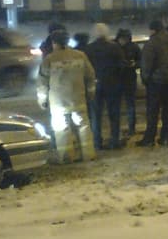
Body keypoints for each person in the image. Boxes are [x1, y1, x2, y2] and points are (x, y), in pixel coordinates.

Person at [37, 29, 96, 164]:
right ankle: (88, 154)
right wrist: (91, 93)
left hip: (58, 102)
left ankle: (66, 156)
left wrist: (42, 99)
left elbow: (42, 82)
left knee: (61, 129)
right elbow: (90, 76)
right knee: (83, 126)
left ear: (54, 43)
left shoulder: (50, 59)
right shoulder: (80, 56)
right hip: (78, 99)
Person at [137, 19, 168, 147]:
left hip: (156, 81)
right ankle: (166, 136)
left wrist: (146, 79)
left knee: (153, 110)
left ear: (153, 29)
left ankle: (149, 138)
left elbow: (146, 64)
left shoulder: (152, 43)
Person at [84, 23, 126, 150]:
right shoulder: (115, 48)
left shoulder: (88, 49)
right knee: (114, 114)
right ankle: (114, 140)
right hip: (113, 84)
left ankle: (97, 142)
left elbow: (85, 69)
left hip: (95, 85)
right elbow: (121, 66)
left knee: (96, 114)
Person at [116, 27, 142, 137]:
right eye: (122, 38)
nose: (124, 41)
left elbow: (141, 61)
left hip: (129, 79)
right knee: (116, 106)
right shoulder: (114, 47)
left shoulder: (134, 47)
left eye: (126, 38)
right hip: (116, 80)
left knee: (130, 105)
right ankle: (117, 129)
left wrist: (134, 64)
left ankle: (131, 128)